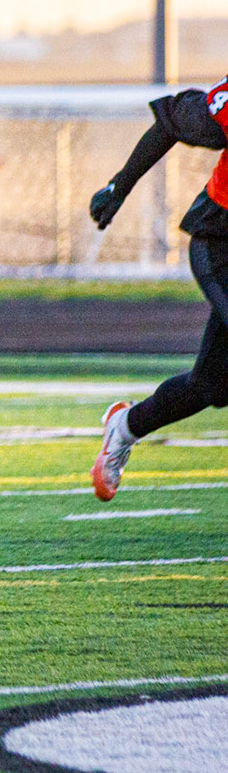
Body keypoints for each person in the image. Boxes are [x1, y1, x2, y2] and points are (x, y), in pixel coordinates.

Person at [87, 76, 228, 499]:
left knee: (209, 386)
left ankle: (125, 427)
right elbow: (171, 120)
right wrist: (119, 186)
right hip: (221, 244)